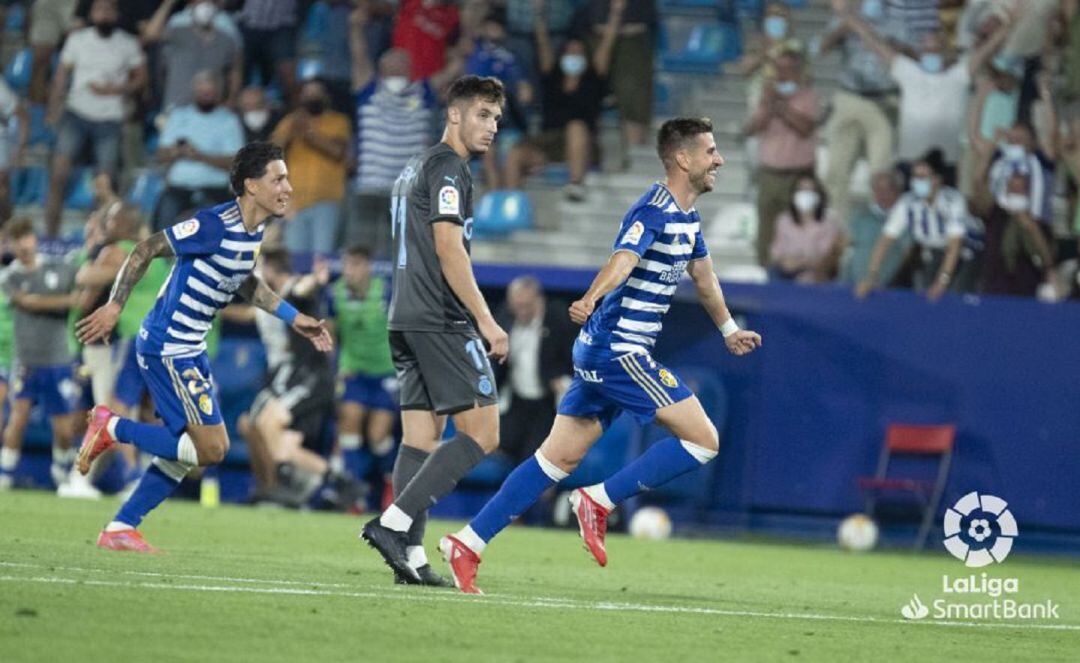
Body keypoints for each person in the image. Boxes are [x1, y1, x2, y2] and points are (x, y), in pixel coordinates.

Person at [437, 118, 762, 594]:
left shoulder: (688, 218)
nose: (720, 160)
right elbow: (623, 260)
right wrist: (590, 297)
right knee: (703, 439)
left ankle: (467, 543)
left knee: (557, 459)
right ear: (683, 159)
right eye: (711, 151)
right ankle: (599, 501)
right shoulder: (652, 210)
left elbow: (705, 280)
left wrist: (729, 329)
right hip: (618, 350)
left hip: (604, 350)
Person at [73, 142, 333, 553]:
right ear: (251, 186)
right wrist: (114, 305)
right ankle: (111, 427)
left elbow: (244, 279)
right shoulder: (213, 225)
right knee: (213, 449)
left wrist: (291, 316)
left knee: (188, 452)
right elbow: (146, 249)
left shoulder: (256, 229)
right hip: (168, 345)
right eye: (278, 178)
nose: (288, 187)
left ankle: (121, 526)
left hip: (188, 348)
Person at [359, 75, 509, 587]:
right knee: (483, 434)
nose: (491, 127)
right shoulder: (449, 169)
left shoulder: (414, 167)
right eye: (483, 115)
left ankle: (412, 559)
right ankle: (393, 524)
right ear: (455, 114)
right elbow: (450, 250)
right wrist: (486, 320)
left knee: (421, 439)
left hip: (404, 315)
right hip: (441, 318)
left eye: (496, 119)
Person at [242, 248, 363, 510]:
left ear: (273, 271)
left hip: (310, 380)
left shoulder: (291, 289)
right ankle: (333, 482)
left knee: (267, 422)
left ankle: (286, 485)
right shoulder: (272, 299)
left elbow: (302, 288)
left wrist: (316, 280)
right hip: (299, 379)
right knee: (283, 444)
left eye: (262, 268)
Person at [348, 4, 463, 255]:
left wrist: (356, 28)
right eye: (395, 65)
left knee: (392, 255)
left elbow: (359, 56)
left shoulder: (414, 92)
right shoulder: (382, 91)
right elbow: (358, 56)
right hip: (378, 188)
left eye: (401, 64)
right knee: (369, 252)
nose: (398, 68)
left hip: (398, 190)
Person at [43, 0, 148, 237]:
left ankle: (99, 237)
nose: (104, 14)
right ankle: (50, 236)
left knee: (105, 184)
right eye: (99, 10)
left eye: (109, 10)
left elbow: (141, 78)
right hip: (75, 113)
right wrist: (53, 108)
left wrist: (117, 90)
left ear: (116, 14)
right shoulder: (77, 39)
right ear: (91, 14)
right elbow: (61, 75)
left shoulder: (128, 43)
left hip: (109, 118)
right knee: (57, 174)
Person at [503, 1, 618, 201]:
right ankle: (512, 203)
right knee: (516, 153)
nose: (573, 56)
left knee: (576, 127)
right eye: (570, 52)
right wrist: (538, 14)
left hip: (583, 143)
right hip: (550, 142)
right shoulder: (552, 76)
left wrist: (617, 12)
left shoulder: (594, 78)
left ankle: (575, 185)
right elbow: (542, 42)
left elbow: (607, 44)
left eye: (578, 53)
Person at [0, 219, 81, 491]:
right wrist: (66, 302)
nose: (22, 244)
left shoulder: (59, 267)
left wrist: (66, 301)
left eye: (26, 237)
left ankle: (61, 473)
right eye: (16, 240)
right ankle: (6, 474)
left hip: (58, 359)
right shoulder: (9, 276)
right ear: (10, 245)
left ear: (34, 239)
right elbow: (26, 302)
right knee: (18, 417)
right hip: (26, 360)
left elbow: (81, 288)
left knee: (63, 427)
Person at [855, 154, 979, 301]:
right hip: (935, 251)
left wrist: (943, 280)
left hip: (968, 251)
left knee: (956, 293)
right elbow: (885, 240)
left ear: (936, 180)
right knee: (926, 292)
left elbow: (955, 244)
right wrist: (872, 275)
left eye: (922, 177)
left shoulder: (953, 201)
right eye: (915, 176)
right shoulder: (908, 202)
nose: (917, 181)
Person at [329, 245, 398, 503]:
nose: (351, 271)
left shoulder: (386, 291)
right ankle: (352, 490)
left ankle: (390, 482)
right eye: (347, 265)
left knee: (378, 437)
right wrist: (337, 369)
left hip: (385, 372)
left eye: (356, 265)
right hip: (354, 371)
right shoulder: (334, 294)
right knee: (349, 423)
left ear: (367, 266)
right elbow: (332, 334)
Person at [744, 47, 822, 266]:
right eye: (779, 69)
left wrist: (780, 106)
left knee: (799, 228)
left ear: (799, 71)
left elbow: (805, 127)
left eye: (788, 69)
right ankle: (766, 270)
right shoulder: (766, 96)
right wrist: (769, 106)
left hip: (800, 176)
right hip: (770, 173)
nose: (783, 74)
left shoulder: (808, 96)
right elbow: (751, 129)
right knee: (767, 229)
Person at [493, 275, 573, 465]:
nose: (521, 311)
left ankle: (544, 493)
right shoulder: (505, 317)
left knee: (538, 458)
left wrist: (560, 378)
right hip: (516, 399)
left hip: (547, 402)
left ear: (539, 299)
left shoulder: (558, 318)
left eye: (526, 306)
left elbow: (574, 355)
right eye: (516, 306)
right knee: (499, 444)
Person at [152, 71, 245, 231]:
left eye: (210, 92)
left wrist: (200, 156)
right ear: (195, 92)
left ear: (218, 93)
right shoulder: (178, 116)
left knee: (211, 231)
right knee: (162, 228)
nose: (206, 96)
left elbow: (235, 162)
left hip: (214, 190)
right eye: (202, 92)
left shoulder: (229, 120)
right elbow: (160, 155)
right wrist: (177, 152)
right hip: (178, 189)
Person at [271, 78, 351, 255]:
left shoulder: (338, 121)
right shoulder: (291, 121)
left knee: (322, 259)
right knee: (294, 260)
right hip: (294, 202)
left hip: (327, 201)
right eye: (307, 93)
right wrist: (289, 132)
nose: (312, 97)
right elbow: (271, 152)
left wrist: (308, 133)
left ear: (326, 97)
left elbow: (337, 151)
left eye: (316, 93)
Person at [769, 175, 844, 283]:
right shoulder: (783, 221)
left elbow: (827, 258)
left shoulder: (828, 223)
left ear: (818, 195)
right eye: (801, 190)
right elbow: (776, 252)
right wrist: (784, 262)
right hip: (786, 276)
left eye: (810, 190)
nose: (805, 194)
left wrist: (802, 263)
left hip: (816, 277)